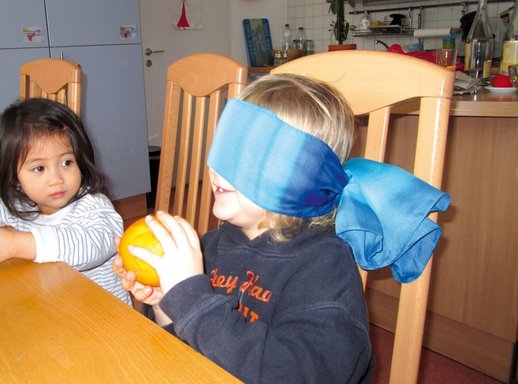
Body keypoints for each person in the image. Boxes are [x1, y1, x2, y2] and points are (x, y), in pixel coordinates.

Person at [114, 74, 450, 383]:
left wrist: (192, 300)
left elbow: (292, 374)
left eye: (245, 158)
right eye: (224, 149)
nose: (218, 170)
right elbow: (189, 353)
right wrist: (166, 301)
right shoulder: (211, 247)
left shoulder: (324, 267)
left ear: (300, 177)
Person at [0, 98, 131, 305]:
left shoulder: (94, 205)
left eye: (66, 162)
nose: (56, 179)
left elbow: (92, 244)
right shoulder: (19, 203)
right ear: (15, 178)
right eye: (39, 168)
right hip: (52, 312)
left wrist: (16, 244)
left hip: (103, 320)